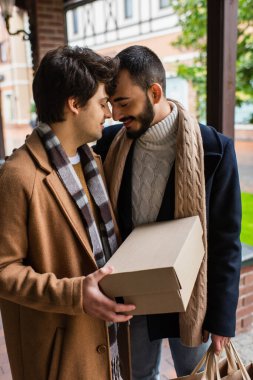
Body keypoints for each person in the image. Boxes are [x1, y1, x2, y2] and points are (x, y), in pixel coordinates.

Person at [93, 45, 242, 380]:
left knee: (196, 374)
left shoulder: (214, 149)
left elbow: (225, 239)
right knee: (138, 374)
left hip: (191, 296)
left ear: (155, 92)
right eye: (112, 103)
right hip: (131, 290)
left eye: (124, 103)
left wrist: (222, 320)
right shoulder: (108, 143)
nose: (116, 114)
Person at [0, 46, 135, 380]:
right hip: (59, 356)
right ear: (74, 104)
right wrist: (75, 294)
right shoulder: (18, 176)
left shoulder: (93, 164)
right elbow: (3, 268)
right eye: (103, 102)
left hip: (107, 340)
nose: (109, 113)